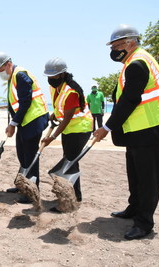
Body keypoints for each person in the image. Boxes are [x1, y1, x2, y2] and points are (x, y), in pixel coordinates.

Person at [94, 24, 159, 240]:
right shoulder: (136, 60)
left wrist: (106, 127)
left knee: (148, 179)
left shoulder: (138, 63)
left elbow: (129, 100)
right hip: (138, 130)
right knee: (135, 175)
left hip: (149, 129)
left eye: (117, 45)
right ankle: (134, 209)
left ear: (131, 43)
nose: (114, 50)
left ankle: (144, 224)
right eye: (112, 46)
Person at [0, 52, 49, 203]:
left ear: (8, 64)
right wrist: (14, 123)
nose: (0, 74)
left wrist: (13, 124)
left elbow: (25, 102)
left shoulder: (21, 75)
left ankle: (31, 191)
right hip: (25, 121)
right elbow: (15, 104)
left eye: (0, 70)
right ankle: (22, 185)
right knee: (22, 154)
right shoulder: (13, 76)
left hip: (33, 119)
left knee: (30, 157)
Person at [41, 58, 93, 209]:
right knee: (71, 161)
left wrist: (52, 137)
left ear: (63, 74)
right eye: (49, 76)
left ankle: (71, 199)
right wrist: (55, 114)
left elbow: (68, 118)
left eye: (54, 76)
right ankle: (76, 196)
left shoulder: (71, 91)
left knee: (70, 161)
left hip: (80, 128)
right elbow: (61, 108)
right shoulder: (56, 87)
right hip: (70, 128)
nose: (51, 79)